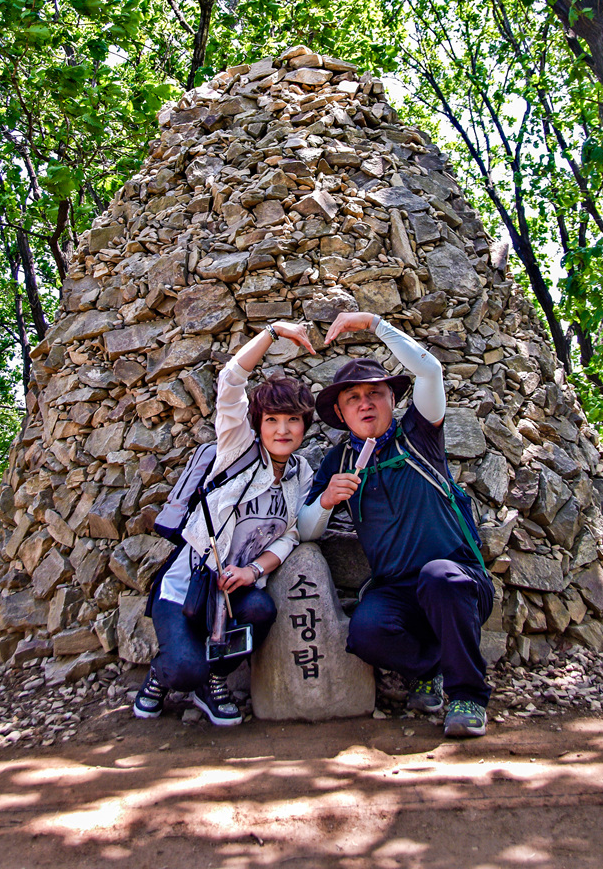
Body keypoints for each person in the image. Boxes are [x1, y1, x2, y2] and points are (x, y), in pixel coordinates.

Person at [297, 309, 494, 739]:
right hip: (396, 590)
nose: (365, 403)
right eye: (353, 398)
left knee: (439, 578)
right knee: (366, 633)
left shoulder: (419, 436)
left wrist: (374, 323)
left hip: (458, 580)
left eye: (375, 393)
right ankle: (429, 669)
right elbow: (307, 529)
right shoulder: (338, 461)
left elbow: (430, 371)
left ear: (393, 400)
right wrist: (327, 501)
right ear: (341, 414)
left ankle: (468, 695)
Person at [134, 320, 316, 726]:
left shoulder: (300, 473)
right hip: (189, 584)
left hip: (235, 589)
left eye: (292, 420)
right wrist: (273, 331)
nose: (282, 430)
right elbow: (231, 379)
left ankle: (215, 680)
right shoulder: (237, 447)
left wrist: (254, 571)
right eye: (272, 420)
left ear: (305, 425)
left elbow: (290, 534)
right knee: (184, 671)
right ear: (258, 424)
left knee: (261, 611)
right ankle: (161, 674)